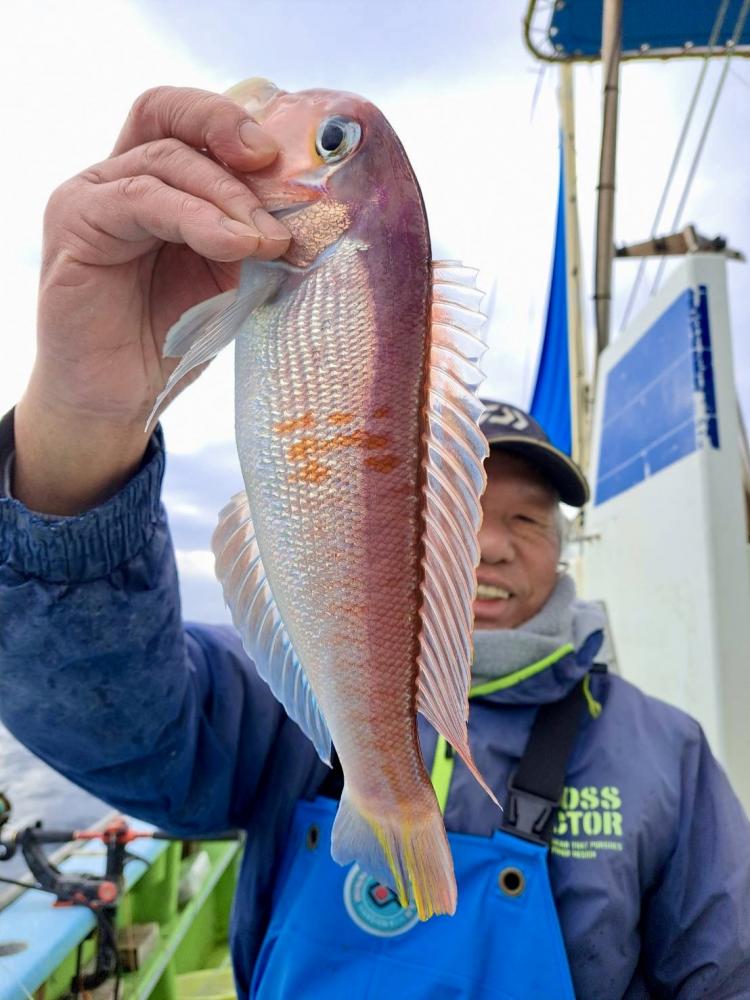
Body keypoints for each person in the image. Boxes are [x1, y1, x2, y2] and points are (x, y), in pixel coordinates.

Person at [0, 85, 749, 1000]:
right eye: (453, 509)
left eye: (526, 518)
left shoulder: (667, 753)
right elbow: (107, 722)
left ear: (564, 543)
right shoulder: (276, 711)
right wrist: (77, 429)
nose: (487, 546)